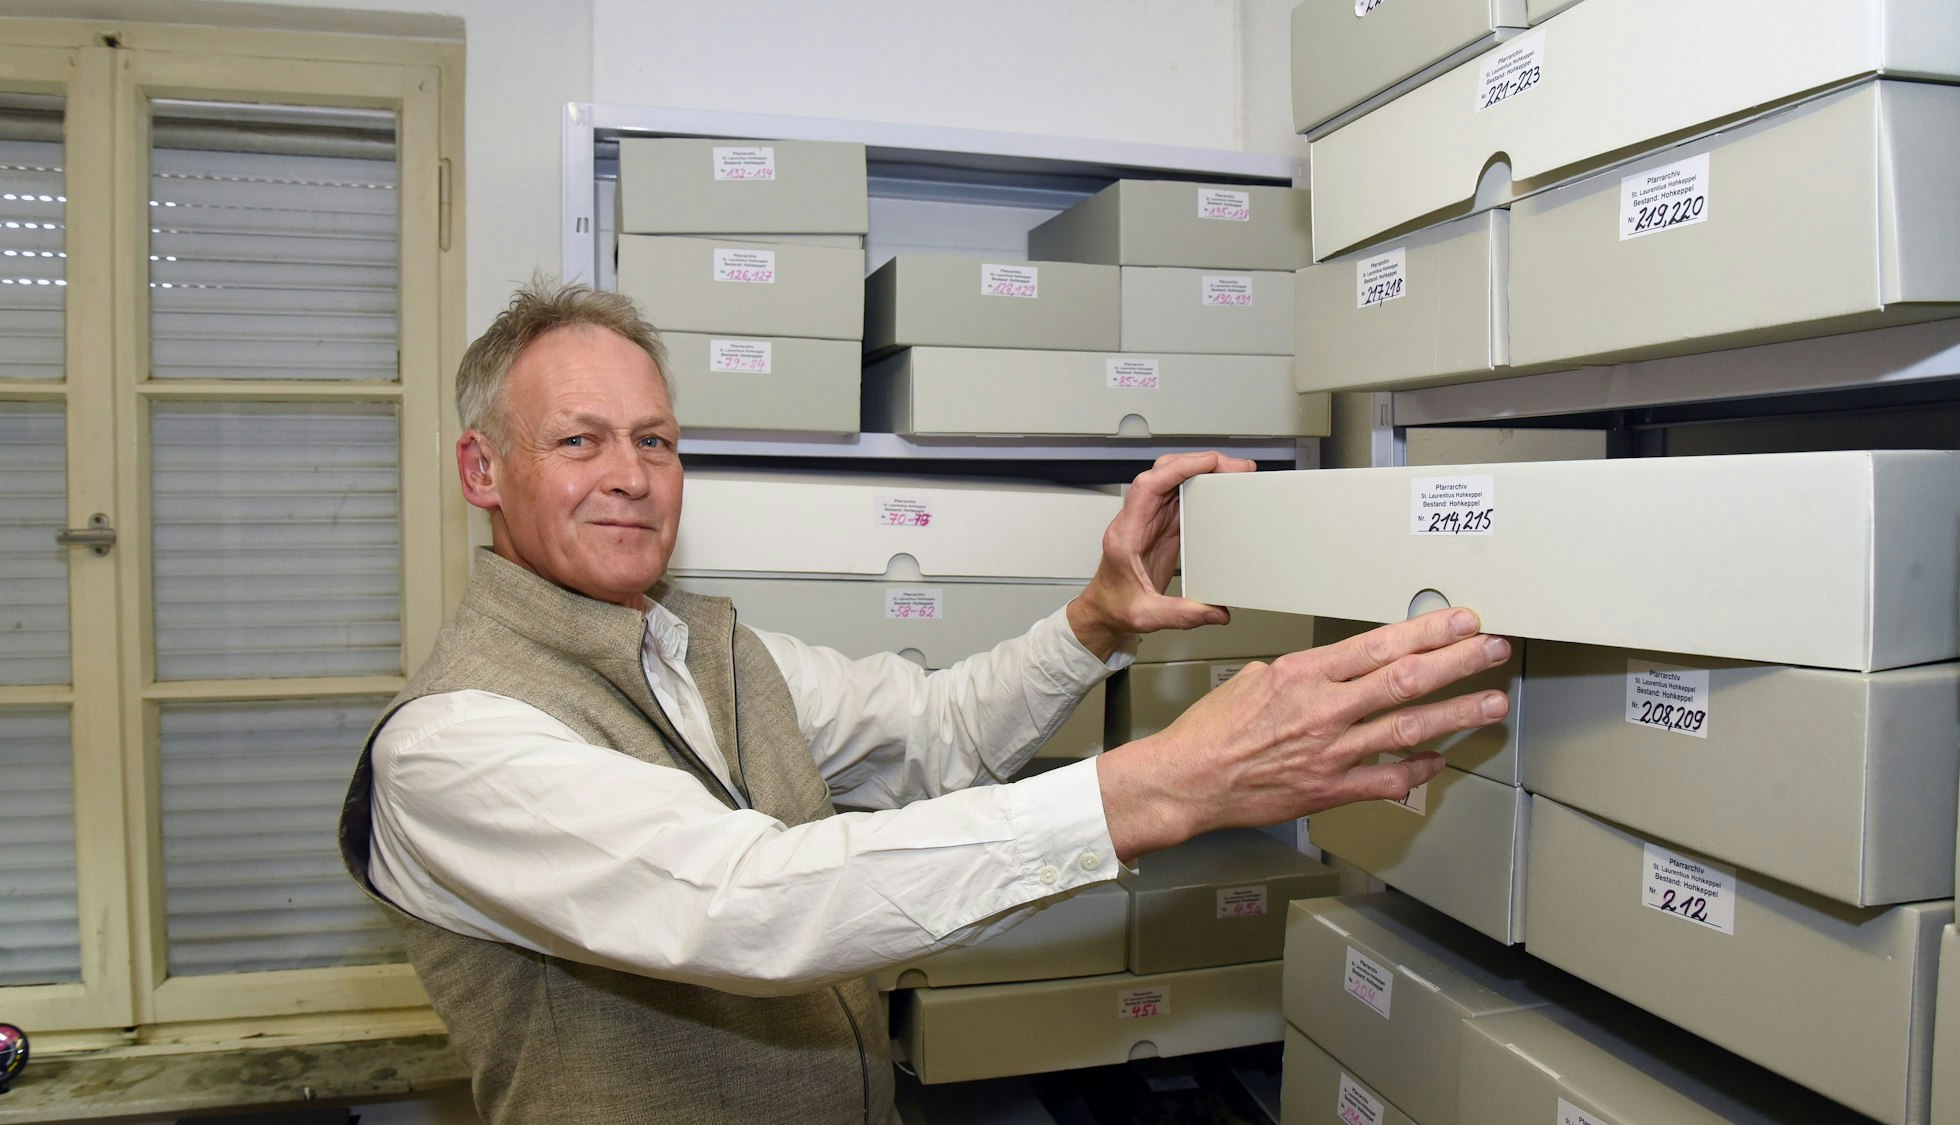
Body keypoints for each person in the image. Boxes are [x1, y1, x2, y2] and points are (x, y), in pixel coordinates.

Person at [337, 280, 1513, 1125]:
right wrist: (1157, 786)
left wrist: (1091, 623)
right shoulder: (454, 745)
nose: (632, 476)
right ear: (482, 471)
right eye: (578, 441)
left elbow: (936, 731)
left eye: (655, 439)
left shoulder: (706, 649)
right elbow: (745, 905)